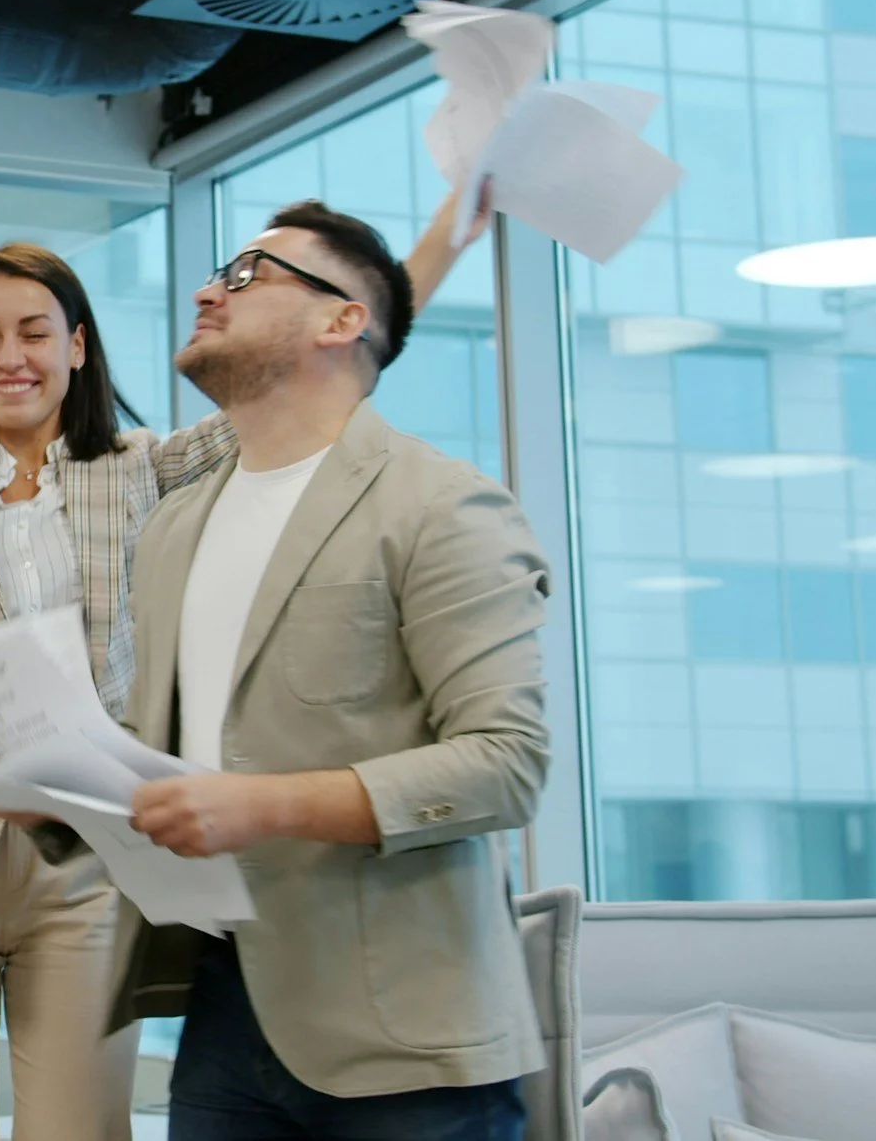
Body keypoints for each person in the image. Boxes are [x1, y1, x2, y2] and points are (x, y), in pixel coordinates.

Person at [0, 193, 490, 1141]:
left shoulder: (147, 465)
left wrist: (442, 237)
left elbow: (326, 359)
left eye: (33, 332)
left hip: (91, 860)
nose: (9, 357)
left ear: (78, 347)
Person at [109, 202, 550, 1141]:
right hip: (226, 1012)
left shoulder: (441, 505)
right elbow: (181, 758)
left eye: (244, 274)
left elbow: (507, 763)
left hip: (407, 1034)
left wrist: (261, 805)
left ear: (342, 319)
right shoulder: (176, 525)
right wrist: (72, 799)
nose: (206, 290)